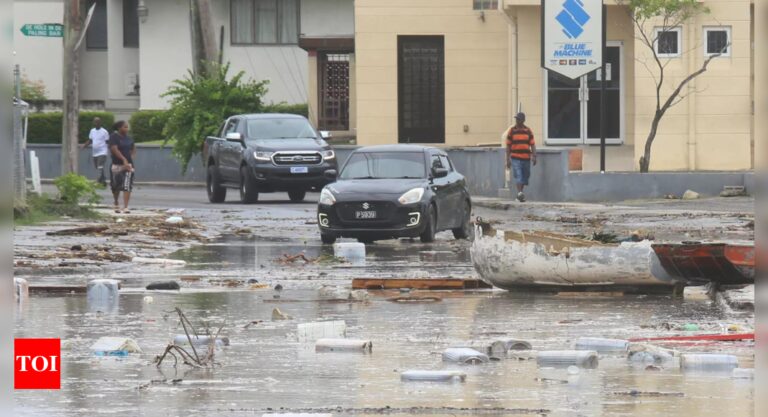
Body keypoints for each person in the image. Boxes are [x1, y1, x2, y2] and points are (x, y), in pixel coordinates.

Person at [504, 112, 537, 202]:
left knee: (525, 176)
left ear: (523, 120)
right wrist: (507, 159)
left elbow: (532, 144)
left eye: (518, 119)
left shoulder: (528, 131)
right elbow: (508, 145)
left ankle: (520, 194)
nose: (517, 121)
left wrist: (534, 156)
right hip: (515, 157)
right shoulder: (512, 131)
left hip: (526, 157)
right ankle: (519, 193)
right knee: (518, 175)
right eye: (516, 119)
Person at [108, 121, 136, 213]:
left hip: (128, 165)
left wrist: (129, 160)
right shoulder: (114, 137)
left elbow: (133, 149)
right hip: (117, 165)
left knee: (127, 185)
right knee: (115, 185)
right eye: (125, 127)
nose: (127, 129)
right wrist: (123, 159)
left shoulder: (129, 138)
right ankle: (116, 202)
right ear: (119, 128)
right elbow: (114, 149)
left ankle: (126, 207)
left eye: (127, 127)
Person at [80, 117, 110, 185]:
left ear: (100, 122)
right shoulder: (92, 131)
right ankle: (103, 181)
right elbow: (90, 140)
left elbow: (108, 142)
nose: (96, 123)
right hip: (95, 152)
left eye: (98, 122)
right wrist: (84, 146)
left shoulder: (104, 131)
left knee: (100, 166)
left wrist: (112, 150)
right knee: (97, 167)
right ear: (93, 123)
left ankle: (98, 181)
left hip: (103, 151)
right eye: (95, 122)